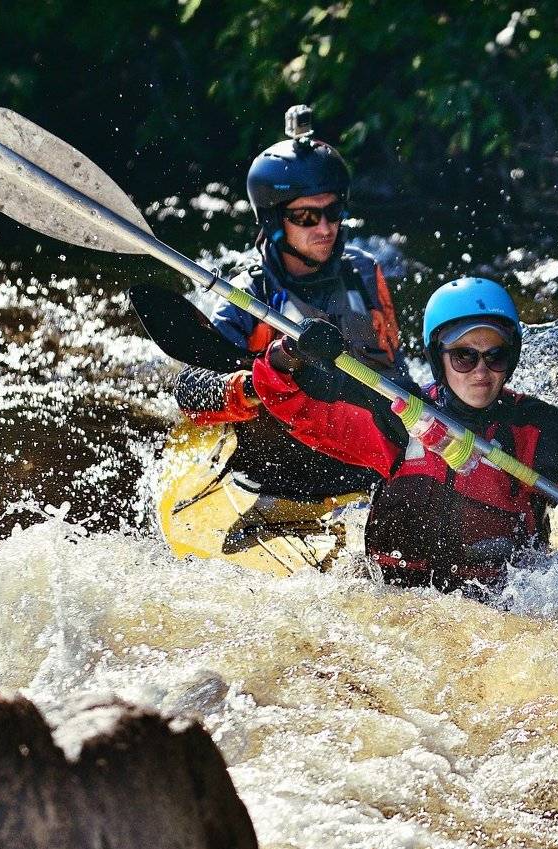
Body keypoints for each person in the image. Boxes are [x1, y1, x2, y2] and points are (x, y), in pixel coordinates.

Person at [248, 276, 558, 592]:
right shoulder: (398, 413)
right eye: (464, 357)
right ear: (437, 358)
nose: (481, 371)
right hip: (392, 599)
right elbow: (288, 401)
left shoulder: (540, 432)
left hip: (505, 606)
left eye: (495, 356)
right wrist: (291, 354)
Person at [161, 107, 410, 574]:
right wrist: (262, 381)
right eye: (306, 216)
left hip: (358, 461)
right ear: (275, 220)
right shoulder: (246, 296)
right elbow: (191, 390)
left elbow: (396, 374)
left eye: (333, 211)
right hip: (278, 470)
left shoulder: (362, 272)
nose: (325, 227)